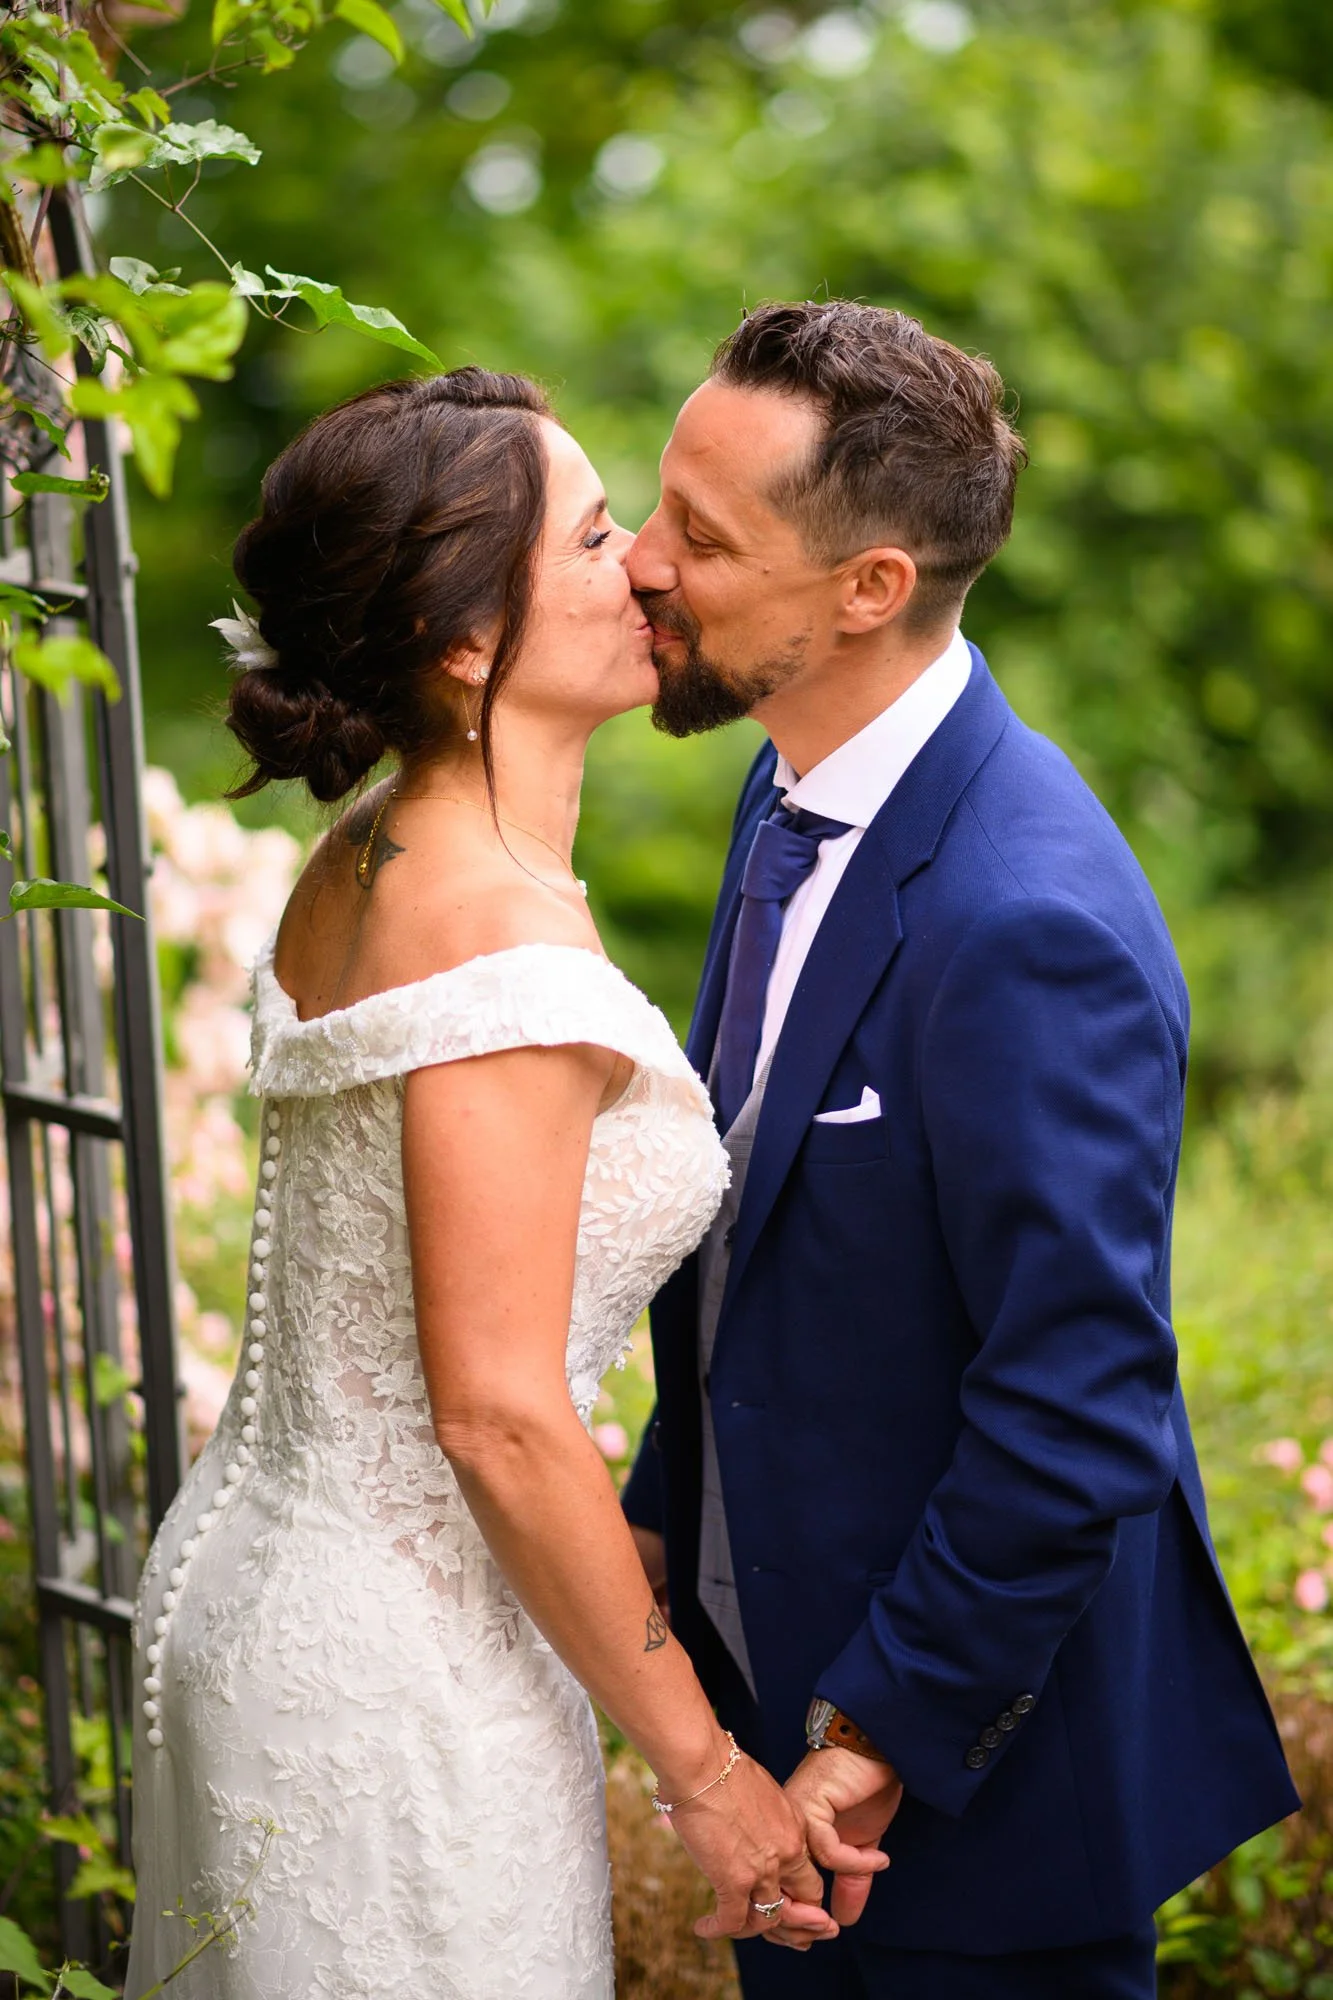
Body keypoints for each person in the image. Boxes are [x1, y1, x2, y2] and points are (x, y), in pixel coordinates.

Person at [124, 367, 840, 2000]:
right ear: (465, 644)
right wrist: (707, 1775)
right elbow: (499, 1411)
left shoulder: (370, 846)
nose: (646, 564)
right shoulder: (496, 939)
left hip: (263, 1587)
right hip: (399, 1674)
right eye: (595, 539)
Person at [622, 300, 1300, 2000]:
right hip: (783, 1750)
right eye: (657, 504)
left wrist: (878, 1734)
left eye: (703, 537)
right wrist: (654, 1527)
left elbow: (1078, 1401)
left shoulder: (1025, 918)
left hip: (969, 1818)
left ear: (872, 586)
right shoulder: (787, 793)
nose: (639, 562)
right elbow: (765, 1254)